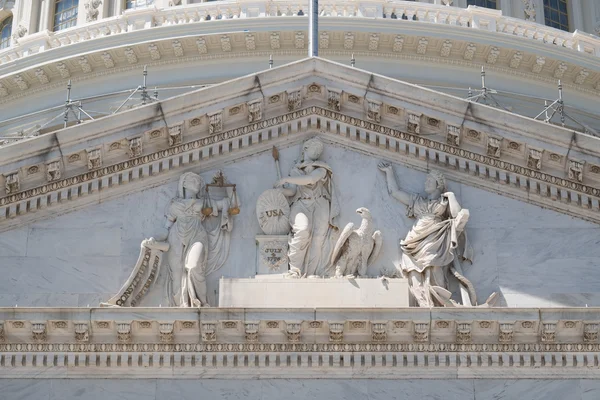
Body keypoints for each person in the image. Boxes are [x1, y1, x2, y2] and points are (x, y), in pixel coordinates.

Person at [378, 162, 472, 307]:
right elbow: (395, 192)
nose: (426, 182)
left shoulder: (443, 202)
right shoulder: (417, 201)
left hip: (434, 238)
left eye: (430, 180)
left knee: (434, 266)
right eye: (426, 179)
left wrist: (451, 196)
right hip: (414, 239)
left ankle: (438, 302)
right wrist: (389, 172)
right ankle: (422, 302)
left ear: (438, 184)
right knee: (412, 270)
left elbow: (457, 214)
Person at [156, 172, 232, 307]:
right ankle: (181, 305)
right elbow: (166, 228)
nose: (197, 182)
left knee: (194, 266)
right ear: (184, 183)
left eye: (198, 181)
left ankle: (202, 303)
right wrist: (154, 241)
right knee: (177, 272)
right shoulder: (175, 205)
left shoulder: (203, 203)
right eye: (193, 180)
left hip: (197, 235)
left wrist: (227, 186)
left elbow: (227, 204)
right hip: (176, 236)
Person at [274, 138, 339, 277]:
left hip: (320, 204)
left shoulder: (322, 168)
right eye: (314, 147)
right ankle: (295, 270)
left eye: (320, 149)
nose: (317, 151)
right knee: (302, 230)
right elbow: (292, 191)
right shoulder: (295, 170)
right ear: (305, 149)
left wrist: (285, 179)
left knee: (318, 239)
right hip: (301, 204)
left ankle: (311, 273)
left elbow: (310, 179)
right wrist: (279, 191)